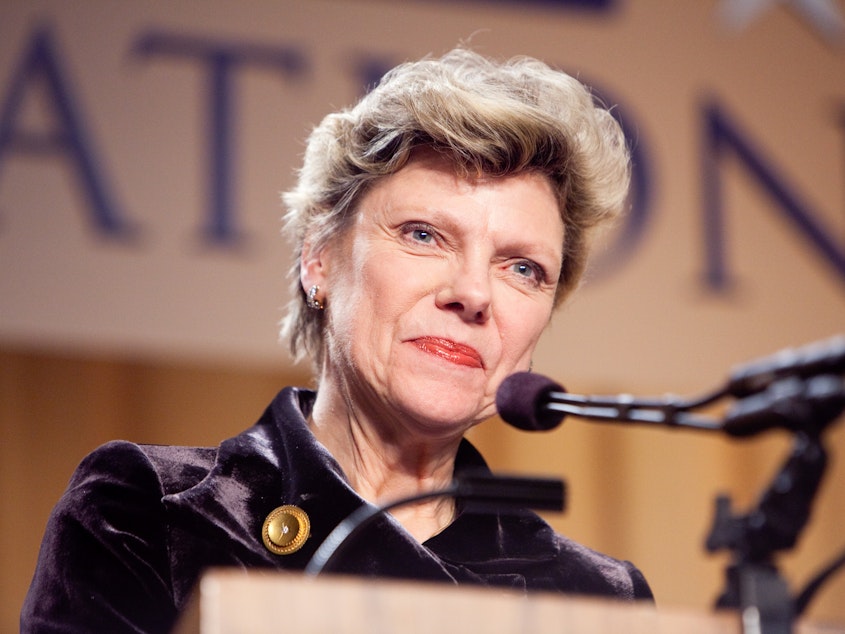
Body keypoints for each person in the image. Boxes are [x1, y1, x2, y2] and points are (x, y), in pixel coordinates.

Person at [21, 48, 652, 633]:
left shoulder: (596, 598)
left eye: (523, 269)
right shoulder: (147, 511)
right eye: (424, 235)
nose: (475, 294)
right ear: (319, 259)